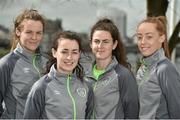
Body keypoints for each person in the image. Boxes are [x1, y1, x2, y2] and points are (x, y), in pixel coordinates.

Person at [23, 31, 94, 119]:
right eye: (64, 52)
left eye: (74, 52)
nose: (69, 57)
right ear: (54, 52)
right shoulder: (41, 87)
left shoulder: (86, 86)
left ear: (79, 54)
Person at [84, 18, 139, 119]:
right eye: (96, 41)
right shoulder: (85, 76)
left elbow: (132, 114)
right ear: (91, 44)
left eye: (105, 42)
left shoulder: (123, 75)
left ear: (114, 45)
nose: (100, 46)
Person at [0, 9, 48, 118]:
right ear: (18, 32)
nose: (34, 37)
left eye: (38, 33)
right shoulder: (6, 64)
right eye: (29, 32)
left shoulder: (47, 63)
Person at [135, 16, 180, 119]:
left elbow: (177, 110)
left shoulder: (165, 69)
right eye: (139, 37)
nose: (143, 42)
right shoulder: (142, 68)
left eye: (149, 37)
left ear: (162, 38)